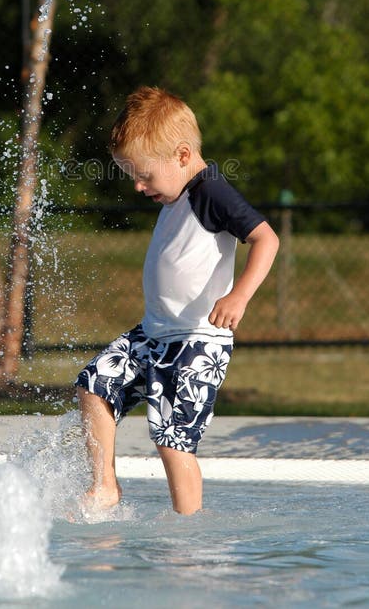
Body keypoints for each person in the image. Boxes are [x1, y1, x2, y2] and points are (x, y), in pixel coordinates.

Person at [75, 86, 279, 515]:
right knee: (95, 384)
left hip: (196, 341)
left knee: (172, 438)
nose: (137, 185)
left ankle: (188, 535)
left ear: (183, 156)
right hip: (154, 333)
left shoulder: (210, 191)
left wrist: (238, 295)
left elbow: (266, 237)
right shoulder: (178, 193)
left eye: (144, 174)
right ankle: (105, 486)